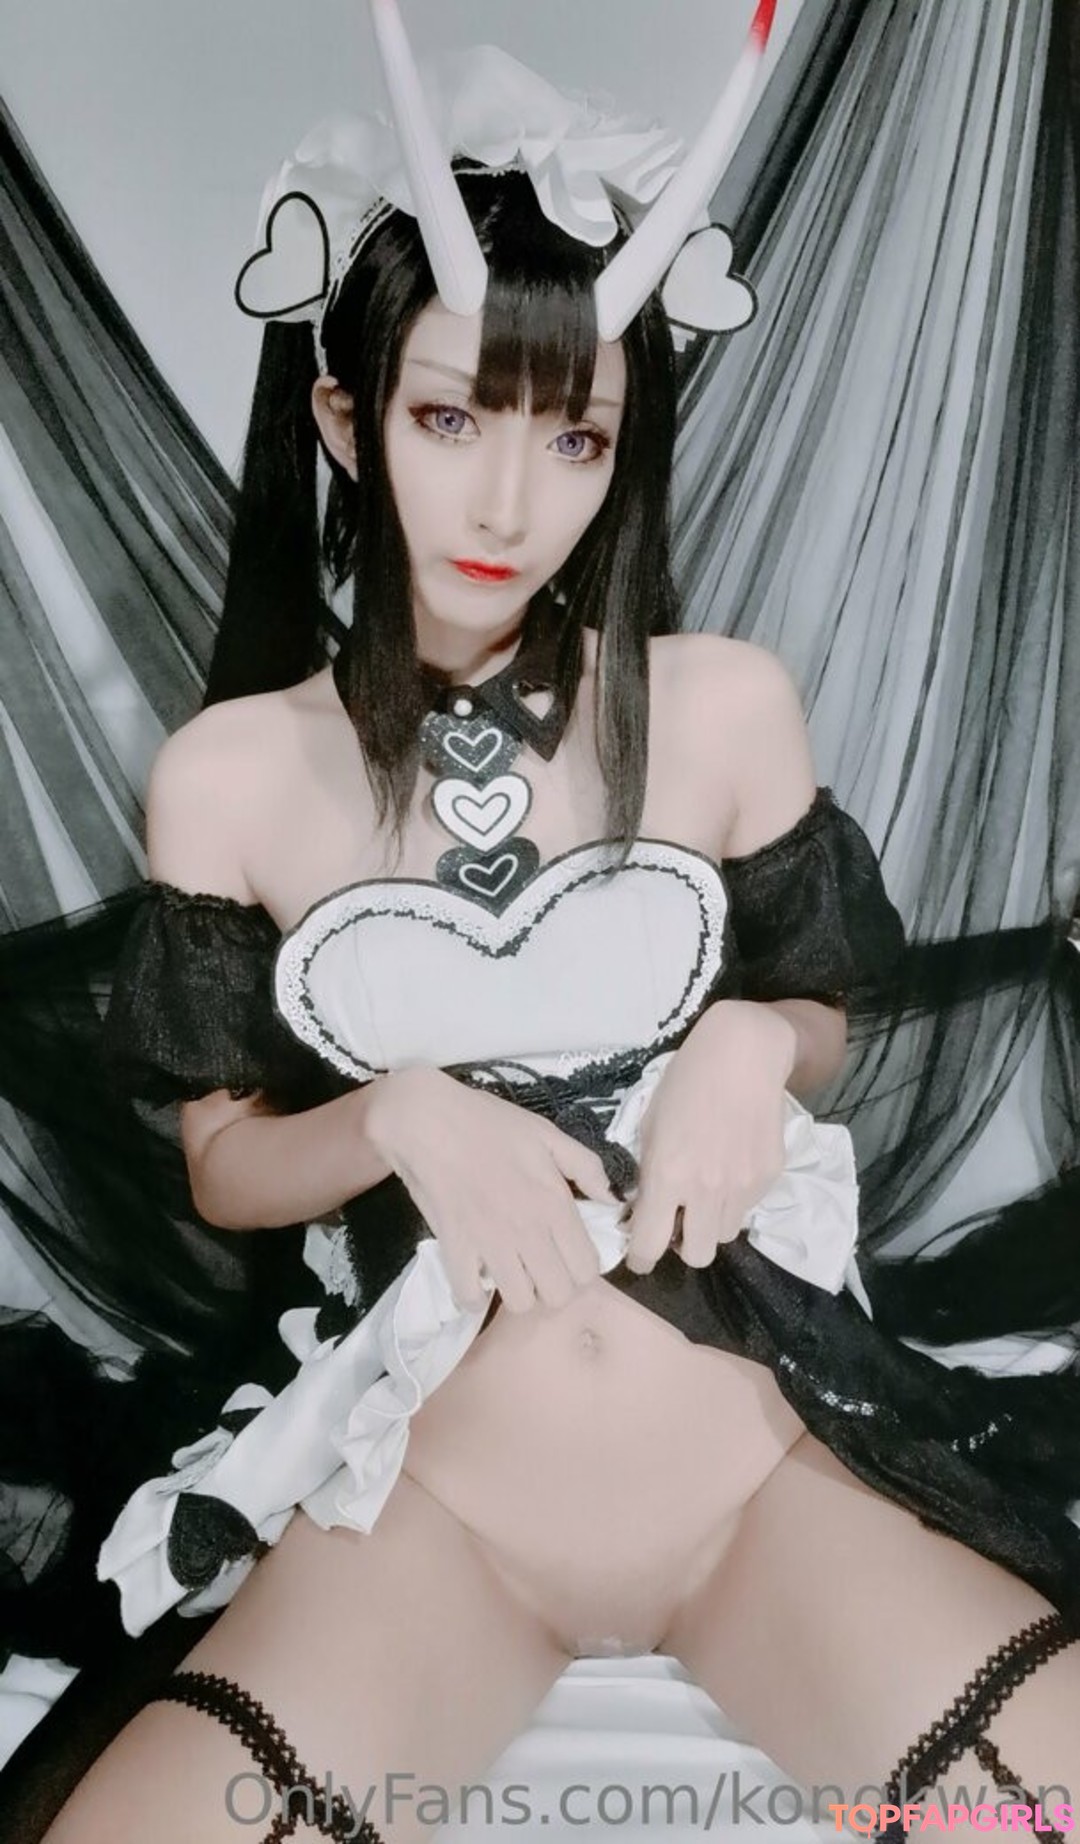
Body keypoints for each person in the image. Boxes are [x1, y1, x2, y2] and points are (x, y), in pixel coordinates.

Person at [5, 5, 1079, 1840]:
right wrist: (399, 1117)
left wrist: (753, 1040)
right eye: (448, 419)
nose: (512, 502)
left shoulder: (724, 705)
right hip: (435, 1512)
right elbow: (225, 1170)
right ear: (345, 421)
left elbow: (821, 1013)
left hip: (763, 1474)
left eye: (576, 438)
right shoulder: (234, 775)